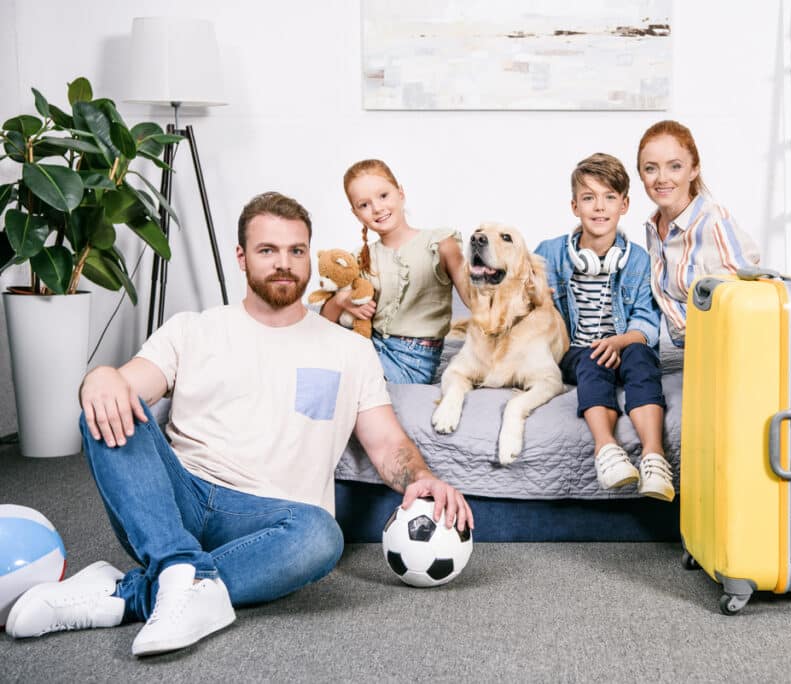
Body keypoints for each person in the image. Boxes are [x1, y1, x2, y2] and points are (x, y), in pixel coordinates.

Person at [5, 191, 473, 657]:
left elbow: (387, 442)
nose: (284, 263)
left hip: (273, 524)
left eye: (296, 250)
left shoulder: (349, 350)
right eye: (267, 250)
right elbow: (126, 388)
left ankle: (135, 591)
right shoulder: (194, 329)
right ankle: (175, 567)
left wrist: (424, 478)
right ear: (242, 257)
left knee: (321, 536)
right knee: (105, 405)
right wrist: (100, 378)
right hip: (175, 502)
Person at [534, 153, 673, 502]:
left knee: (642, 356)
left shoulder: (639, 260)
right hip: (576, 352)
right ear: (574, 206)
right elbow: (526, 302)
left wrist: (620, 341)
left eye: (609, 197)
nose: (599, 207)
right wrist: (537, 297)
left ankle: (654, 457)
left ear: (624, 204)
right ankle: (606, 449)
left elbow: (647, 321)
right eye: (589, 198)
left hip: (625, 343)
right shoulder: (549, 254)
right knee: (594, 359)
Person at [320, 159, 469, 384]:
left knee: (337, 377)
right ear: (355, 214)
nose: (377, 208)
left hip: (413, 359)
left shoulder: (439, 243)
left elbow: (474, 298)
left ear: (400, 193)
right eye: (364, 205)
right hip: (369, 344)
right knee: (314, 356)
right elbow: (324, 322)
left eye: (383, 195)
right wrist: (341, 300)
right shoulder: (360, 258)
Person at [636, 120, 761, 346]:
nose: (662, 178)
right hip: (688, 348)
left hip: (721, 347)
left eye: (675, 166)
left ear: (694, 169)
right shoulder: (653, 228)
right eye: (651, 168)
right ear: (641, 175)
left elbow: (747, 300)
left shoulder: (713, 222)